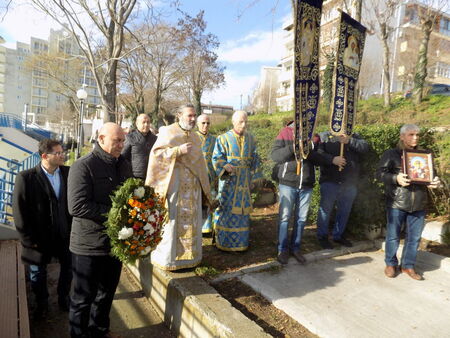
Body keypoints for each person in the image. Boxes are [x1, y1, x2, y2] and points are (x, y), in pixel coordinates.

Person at [68, 122, 132, 338]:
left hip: (114, 244)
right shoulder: (83, 165)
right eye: (117, 140)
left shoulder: (123, 164)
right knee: (82, 299)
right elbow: (76, 206)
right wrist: (116, 213)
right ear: (101, 138)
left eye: (123, 140)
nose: (121, 144)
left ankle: (100, 331)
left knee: (106, 294)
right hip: (88, 245)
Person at [145, 104, 212, 271]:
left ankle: (191, 259)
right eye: (189, 115)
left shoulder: (196, 138)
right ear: (179, 115)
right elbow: (156, 155)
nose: (193, 118)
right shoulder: (168, 131)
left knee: (192, 222)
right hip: (174, 186)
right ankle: (170, 260)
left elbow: (200, 165)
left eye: (194, 115)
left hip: (192, 189)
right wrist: (176, 151)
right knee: (173, 223)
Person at [271, 122, 345, 264]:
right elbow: (275, 156)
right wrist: (293, 147)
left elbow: (318, 158)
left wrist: (316, 153)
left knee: (301, 218)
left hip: (306, 183)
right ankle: (282, 249)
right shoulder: (285, 133)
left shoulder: (315, 137)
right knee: (285, 217)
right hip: (288, 182)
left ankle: (296, 248)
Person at [13, 139, 72, 318]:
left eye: (62, 152)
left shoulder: (68, 173)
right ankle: (41, 304)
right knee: (37, 273)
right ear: (45, 156)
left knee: (68, 268)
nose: (62, 155)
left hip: (64, 233)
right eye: (58, 153)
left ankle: (64, 298)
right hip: (39, 237)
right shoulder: (26, 177)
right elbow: (19, 210)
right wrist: (29, 241)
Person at [377, 124, 441, 280]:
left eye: (417, 135)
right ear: (402, 136)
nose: (415, 138)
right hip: (397, 202)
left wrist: (436, 182)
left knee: (414, 238)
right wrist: (395, 178)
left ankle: (408, 266)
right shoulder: (391, 154)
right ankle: (391, 264)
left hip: (419, 203)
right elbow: (379, 174)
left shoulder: (425, 155)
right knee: (393, 236)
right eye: (411, 134)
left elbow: (433, 175)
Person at [212, 110, 262, 251]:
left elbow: (255, 159)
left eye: (246, 121)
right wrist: (224, 165)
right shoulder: (223, 138)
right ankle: (223, 243)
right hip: (229, 182)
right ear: (233, 122)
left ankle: (241, 243)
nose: (244, 124)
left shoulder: (251, 139)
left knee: (242, 213)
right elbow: (216, 158)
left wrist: (256, 178)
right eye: (241, 121)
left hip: (244, 181)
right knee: (226, 210)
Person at [316, 131, 369, 249]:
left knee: (344, 210)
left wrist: (349, 141)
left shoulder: (353, 135)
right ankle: (322, 236)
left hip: (349, 182)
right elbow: (318, 153)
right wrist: (332, 159)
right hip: (329, 180)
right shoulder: (325, 136)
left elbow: (365, 147)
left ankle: (338, 235)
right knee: (325, 210)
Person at [196, 114, 217, 234]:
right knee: (199, 201)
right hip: (197, 176)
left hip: (211, 176)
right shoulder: (192, 138)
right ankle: (200, 226)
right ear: (198, 124)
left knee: (210, 200)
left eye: (208, 123)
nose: (205, 125)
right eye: (203, 123)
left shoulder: (214, 139)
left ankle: (209, 226)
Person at [121, 113, 157, 179]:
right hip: (135, 177)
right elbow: (122, 157)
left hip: (151, 176)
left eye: (148, 122)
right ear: (137, 124)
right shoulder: (130, 138)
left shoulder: (155, 139)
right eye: (143, 122)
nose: (146, 125)